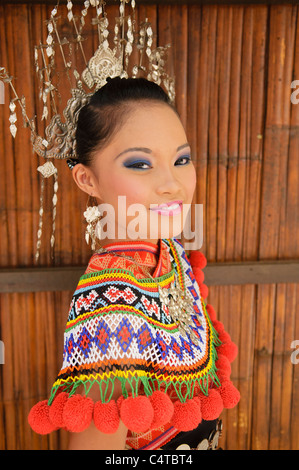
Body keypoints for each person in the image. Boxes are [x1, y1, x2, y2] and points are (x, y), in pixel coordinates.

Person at [28, 77, 240, 450]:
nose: (172, 183)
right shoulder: (115, 301)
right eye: (141, 164)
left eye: (182, 159)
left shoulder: (171, 253)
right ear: (87, 178)